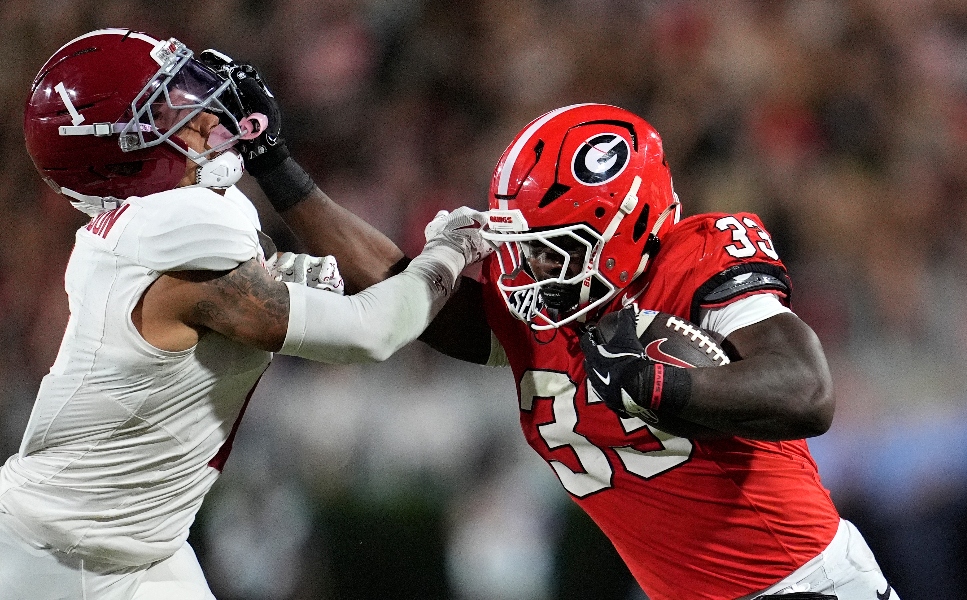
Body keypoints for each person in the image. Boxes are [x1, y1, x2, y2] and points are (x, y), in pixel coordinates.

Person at [244, 99, 899, 598]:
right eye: (525, 243)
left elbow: (807, 392)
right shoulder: (551, 304)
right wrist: (276, 166)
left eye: (551, 245)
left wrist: (660, 386)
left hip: (806, 586)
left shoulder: (693, 262)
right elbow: (400, 292)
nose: (528, 266)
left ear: (622, 225)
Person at [0, 28, 490, 600]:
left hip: (142, 546)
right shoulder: (173, 243)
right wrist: (446, 253)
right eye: (167, 110)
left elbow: (310, 283)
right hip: (53, 560)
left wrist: (277, 189)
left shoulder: (155, 235)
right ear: (120, 153)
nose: (207, 119)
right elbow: (372, 333)